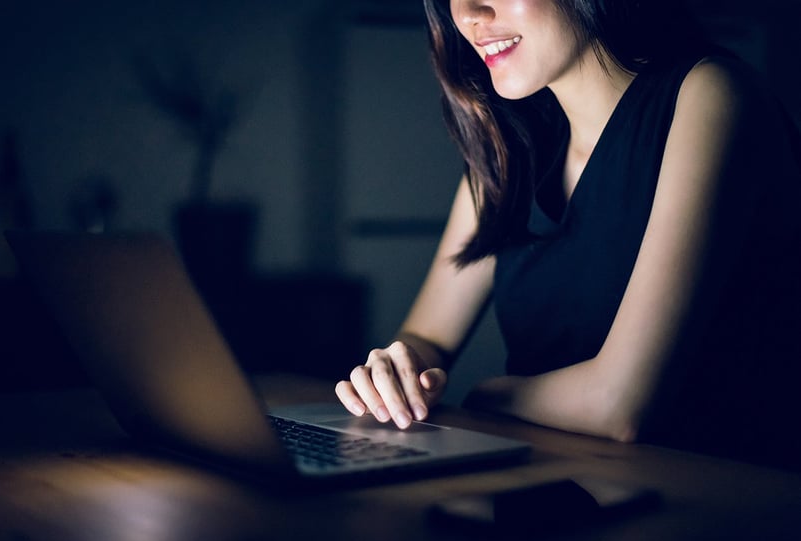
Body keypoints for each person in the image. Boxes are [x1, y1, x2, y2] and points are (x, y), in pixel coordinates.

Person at [335, 0, 801, 469]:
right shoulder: (509, 142)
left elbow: (619, 406)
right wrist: (400, 371)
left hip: (716, 502)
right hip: (556, 484)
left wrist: (488, 395)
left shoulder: (713, 93)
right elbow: (427, 333)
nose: (471, 14)